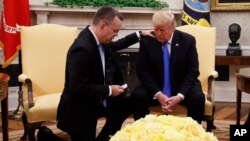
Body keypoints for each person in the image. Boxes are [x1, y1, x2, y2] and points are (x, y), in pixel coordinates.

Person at [56, 5, 152, 141]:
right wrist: (109, 90)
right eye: (115, 31)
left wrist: (139, 34)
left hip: (96, 100)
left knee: (129, 102)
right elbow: (78, 88)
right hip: (79, 108)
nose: (116, 35)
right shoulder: (82, 49)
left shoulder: (98, 40)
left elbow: (116, 45)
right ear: (103, 26)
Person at [130, 10, 205, 124]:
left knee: (198, 98)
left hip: (181, 85)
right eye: (156, 29)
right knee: (137, 95)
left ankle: (193, 134)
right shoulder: (147, 41)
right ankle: (144, 132)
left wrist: (180, 96)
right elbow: (142, 71)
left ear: (172, 28)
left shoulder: (188, 40)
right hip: (156, 87)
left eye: (162, 30)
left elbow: (193, 71)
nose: (158, 33)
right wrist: (158, 94)